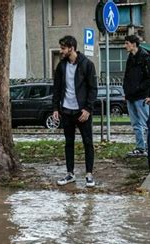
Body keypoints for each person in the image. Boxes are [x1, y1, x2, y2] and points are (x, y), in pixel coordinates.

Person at [52, 35, 97, 188]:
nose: (61, 51)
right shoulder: (61, 66)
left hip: (82, 111)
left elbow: (93, 89)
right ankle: (70, 173)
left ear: (71, 48)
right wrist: (55, 108)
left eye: (63, 48)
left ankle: (89, 174)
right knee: (68, 143)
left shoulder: (87, 65)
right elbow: (56, 88)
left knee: (88, 142)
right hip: (66, 110)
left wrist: (88, 109)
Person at [122, 35, 150, 157]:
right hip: (131, 96)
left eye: (127, 43)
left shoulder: (145, 58)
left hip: (141, 96)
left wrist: (140, 88)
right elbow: (127, 76)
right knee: (136, 123)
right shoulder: (130, 58)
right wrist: (126, 92)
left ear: (134, 44)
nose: (125, 46)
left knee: (146, 123)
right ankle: (140, 147)